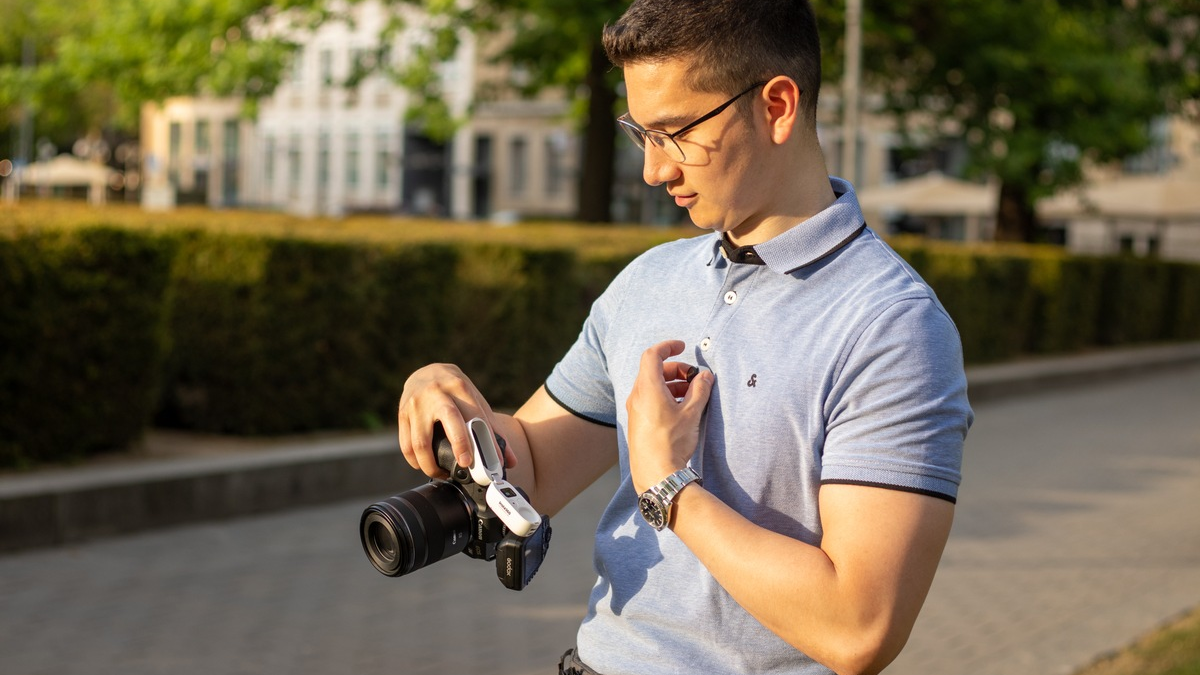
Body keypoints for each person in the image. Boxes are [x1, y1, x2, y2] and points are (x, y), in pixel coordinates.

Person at [397, 0, 974, 673]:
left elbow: (859, 628)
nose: (653, 170)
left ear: (778, 106)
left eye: (674, 132)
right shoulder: (648, 280)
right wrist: (451, 402)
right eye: (640, 133)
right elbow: (535, 470)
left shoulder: (893, 326)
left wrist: (669, 488)